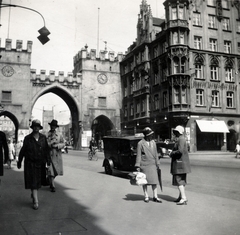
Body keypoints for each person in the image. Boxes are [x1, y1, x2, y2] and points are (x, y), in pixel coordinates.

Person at [17, 119, 50, 210]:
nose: (36, 128)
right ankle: (36, 201)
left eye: (37, 126)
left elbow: (46, 150)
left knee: (37, 182)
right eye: (34, 126)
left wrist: (48, 161)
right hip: (30, 163)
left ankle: (33, 192)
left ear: (39, 128)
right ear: (32, 127)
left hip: (40, 163)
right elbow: (23, 150)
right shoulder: (28, 138)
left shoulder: (43, 138)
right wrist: (19, 161)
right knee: (34, 181)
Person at [135, 127, 162, 203]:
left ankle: (155, 196)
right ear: (146, 135)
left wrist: (158, 163)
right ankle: (146, 196)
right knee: (144, 181)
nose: (151, 136)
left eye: (152, 134)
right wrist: (137, 166)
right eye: (150, 135)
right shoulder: (140, 143)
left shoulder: (153, 142)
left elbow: (156, 154)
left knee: (154, 181)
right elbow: (138, 155)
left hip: (153, 164)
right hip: (144, 165)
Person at [170, 125, 191, 205]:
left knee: (179, 181)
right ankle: (180, 196)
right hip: (182, 164)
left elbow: (180, 151)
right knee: (181, 181)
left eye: (176, 132)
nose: (175, 133)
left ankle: (183, 198)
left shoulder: (181, 139)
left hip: (180, 164)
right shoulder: (181, 139)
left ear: (179, 132)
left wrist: (172, 153)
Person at [47, 119, 65, 192]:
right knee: (51, 170)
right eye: (52, 126)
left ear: (56, 127)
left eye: (54, 126)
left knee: (56, 171)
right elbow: (45, 143)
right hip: (50, 153)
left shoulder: (59, 135)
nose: (53, 127)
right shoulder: (47, 134)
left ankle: (50, 181)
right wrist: (50, 143)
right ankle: (53, 185)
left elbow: (63, 143)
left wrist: (58, 145)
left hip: (57, 154)